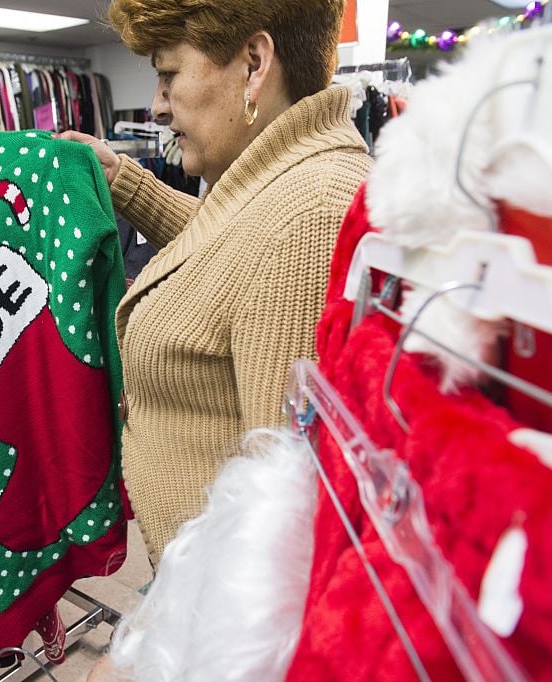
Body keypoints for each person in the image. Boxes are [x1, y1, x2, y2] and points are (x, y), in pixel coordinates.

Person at [58, 0, 371, 568]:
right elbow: (233, 247)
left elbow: (283, 531)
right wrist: (123, 182)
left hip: (217, 611)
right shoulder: (289, 182)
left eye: (167, 74)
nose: (156, 106)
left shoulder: (310, 217)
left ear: (254, 63)